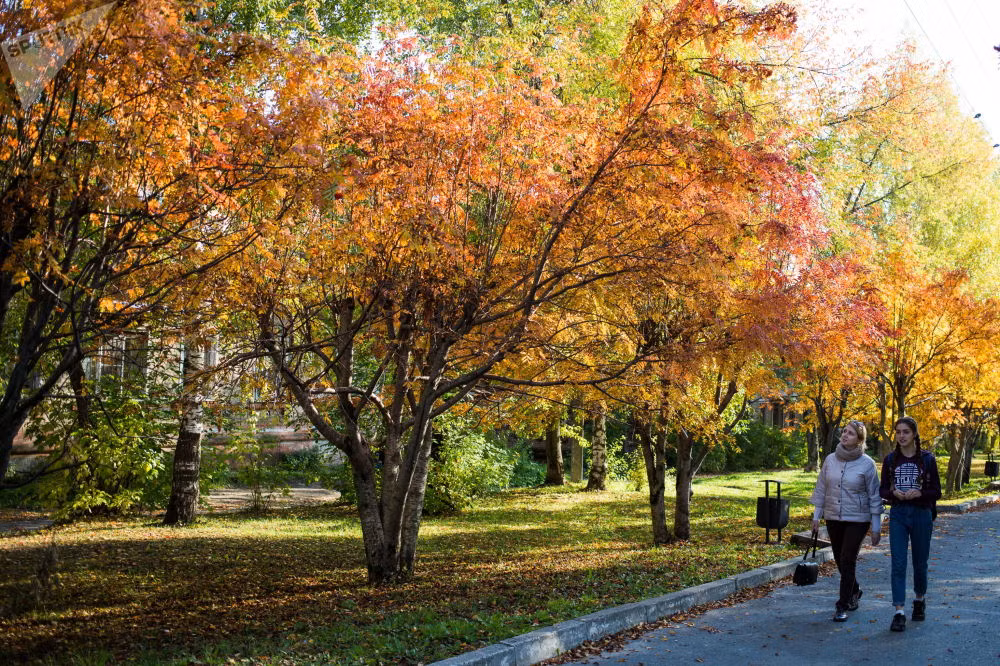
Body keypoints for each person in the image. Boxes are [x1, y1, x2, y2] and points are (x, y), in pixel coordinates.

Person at [810, 419, 882, 622]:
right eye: (844, 431)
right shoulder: (830, 460)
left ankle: (842, 605)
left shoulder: (867, 464)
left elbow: (874, 496)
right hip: (833, 517)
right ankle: (855, 590)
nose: (844, 435)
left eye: (850, 433)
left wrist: (876, 527)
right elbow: (822, 489)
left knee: (848, 559)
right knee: (841, 560)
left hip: (858, 519)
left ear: (860, 440)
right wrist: (816, 516)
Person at [879, 416, 941, 632]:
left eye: (905, 432)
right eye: (898, 432)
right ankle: (898, 612)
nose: (901, 436)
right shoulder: (890, 460)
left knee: (919, 562)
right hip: (898, 514)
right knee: (898, 562)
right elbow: (883, 490)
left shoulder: (927, 460)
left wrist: (920, 493)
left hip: (921, 513)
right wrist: (893, 493)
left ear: (914, 434)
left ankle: (919, 599)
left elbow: (937, 492)